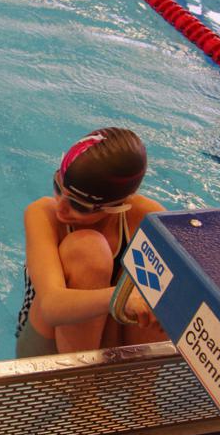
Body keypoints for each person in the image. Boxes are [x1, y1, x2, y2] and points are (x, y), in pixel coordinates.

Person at [16, 127, 167, 357]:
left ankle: (138, 382)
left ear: (118, 206)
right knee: (88, 250)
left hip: (113, 333)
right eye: (58, 186)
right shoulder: (41, 213)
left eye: (79, 205)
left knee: (158, 288)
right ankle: (82, 381)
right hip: (48, 336)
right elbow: (50, 307)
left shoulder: (147, 219)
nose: (60, 208)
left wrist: (144, 300)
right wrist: (121, 298)